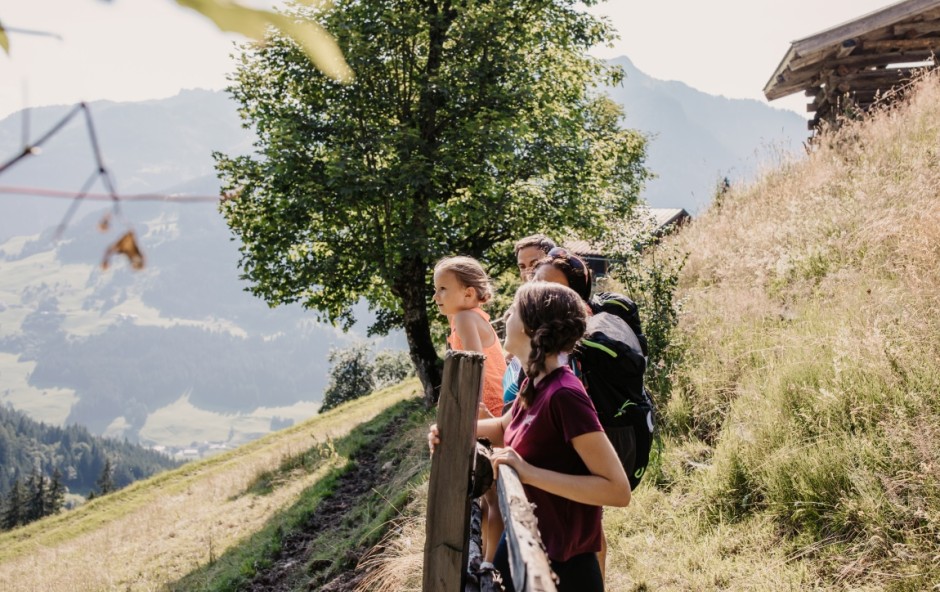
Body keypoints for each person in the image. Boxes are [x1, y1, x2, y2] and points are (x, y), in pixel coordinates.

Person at [429, 282, 630, 592]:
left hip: (564, 565)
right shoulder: (535, 382)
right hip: (526, 538)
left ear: (532, 328)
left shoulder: (564, 394)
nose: (505, 316)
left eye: (513, 311)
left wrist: (529, 473)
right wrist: (452, 433)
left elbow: (617, 490)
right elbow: (504, 427)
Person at [432, 256, 507, 418]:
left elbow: (474, 370)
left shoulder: (464, 318)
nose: (435, 297)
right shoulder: (462, 317)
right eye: (435, 289)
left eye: (443, 289)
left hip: (491, 408)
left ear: (468, 293)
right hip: (495, 403)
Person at [502, 234, 557, 413]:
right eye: (522, 266)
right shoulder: (520, 302)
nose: (528, 272)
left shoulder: (561, 304)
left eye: (535, 264)